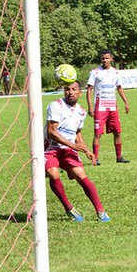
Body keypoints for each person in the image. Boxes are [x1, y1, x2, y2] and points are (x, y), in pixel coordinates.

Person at [44, 80, 110, 222]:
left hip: (67, 149)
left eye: (74, 89)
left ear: (80, 92)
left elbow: (77, 133)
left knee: (81, 175)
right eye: (67, 89)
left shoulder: (81, 111)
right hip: (50, 149)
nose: (70, 92)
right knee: (53, 173)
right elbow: (51, 132)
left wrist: (86, 150)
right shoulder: (56, 105)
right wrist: (73, 146)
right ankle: (69, 209)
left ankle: (101, 211)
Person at [87, 50, 130, 165]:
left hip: (112, 108)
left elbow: (119, 87)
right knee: (98, 134)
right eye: (103, 58)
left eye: (107, 58)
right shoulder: (95, 72)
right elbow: (89, 89)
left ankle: (119, 157)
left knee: (118, 132)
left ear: (111, 59)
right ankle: (95, 158)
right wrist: (90, 106)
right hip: (100, 108)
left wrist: (126, 102)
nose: (105, 60)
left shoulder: (115, 72)